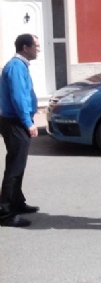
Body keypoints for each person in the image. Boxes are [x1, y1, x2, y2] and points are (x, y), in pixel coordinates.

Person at [0, 34, 40, 228]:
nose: (38, 49)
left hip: (16, 121)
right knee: (15, 167)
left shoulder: (20, 65)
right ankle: (5, 212)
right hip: (15, 122)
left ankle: (17, 201)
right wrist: (28, 122)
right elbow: (17, 97)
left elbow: (24, 94)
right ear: (26, 47)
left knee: (18, 164)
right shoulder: (16, 66)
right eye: (36, 46)